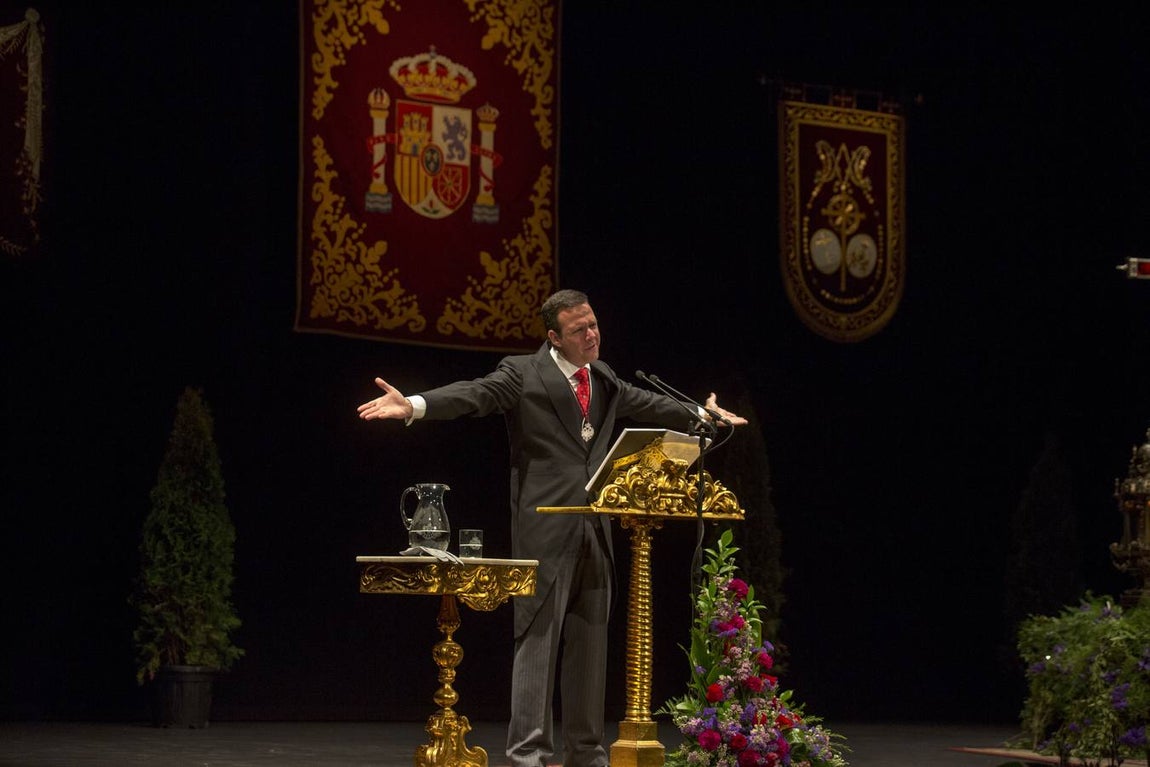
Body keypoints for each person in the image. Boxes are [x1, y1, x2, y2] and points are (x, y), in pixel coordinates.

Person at [357, 288, 745, 767]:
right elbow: (474, 394)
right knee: (538, 645)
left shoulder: (602, 377)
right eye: (580, 329)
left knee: (590, 644)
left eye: (594, 324)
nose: (592, 334)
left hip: (595, 531)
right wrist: (415, 404)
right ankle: (528, 754)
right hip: (545, 531)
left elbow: (648, 404)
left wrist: (702, 416)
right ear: (554, 337)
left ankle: (586, 753)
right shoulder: (522, 373)